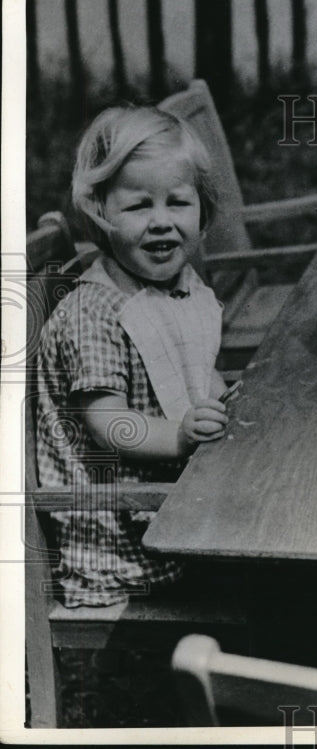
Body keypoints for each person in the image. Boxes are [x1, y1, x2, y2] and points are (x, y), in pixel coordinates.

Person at [35, 105, 230, 607]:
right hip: (122, 532)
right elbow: (110, 423)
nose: (162, 222)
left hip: (166, 497)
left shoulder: (175, 284)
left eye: (178, 203)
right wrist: (184, 434)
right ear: (101, 212)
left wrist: (216, 392)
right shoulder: (96, 311)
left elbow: (191, 365)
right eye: (139, 206)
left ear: (201, 210)